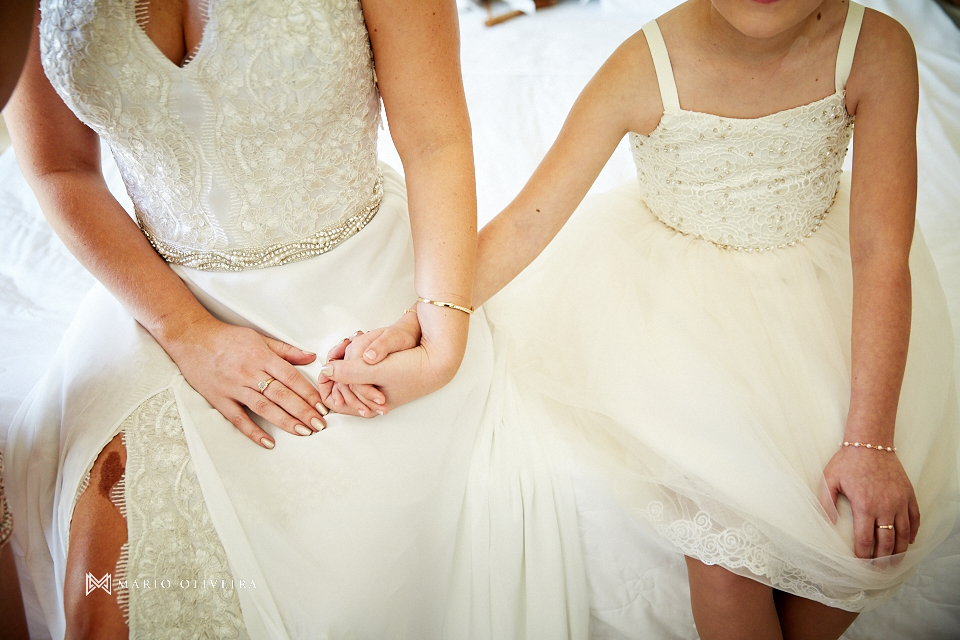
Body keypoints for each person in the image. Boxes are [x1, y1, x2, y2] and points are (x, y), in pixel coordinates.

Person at [325, 1, 960, 638]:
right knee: (726, 547)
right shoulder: (643, 63)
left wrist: (869, 439)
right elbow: (525, 222)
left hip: (826, 289)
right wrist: (420, 323)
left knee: (868, 536)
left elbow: (880, 251)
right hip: (677, 312)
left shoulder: (877, 48)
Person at [2, 0, 517, 637]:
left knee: (351, 561)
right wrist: (186, 331)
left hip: (363, 292)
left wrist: (441, 339)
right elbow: (60, 167)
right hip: (156, 303)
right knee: (100, 604)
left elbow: (435, 139)